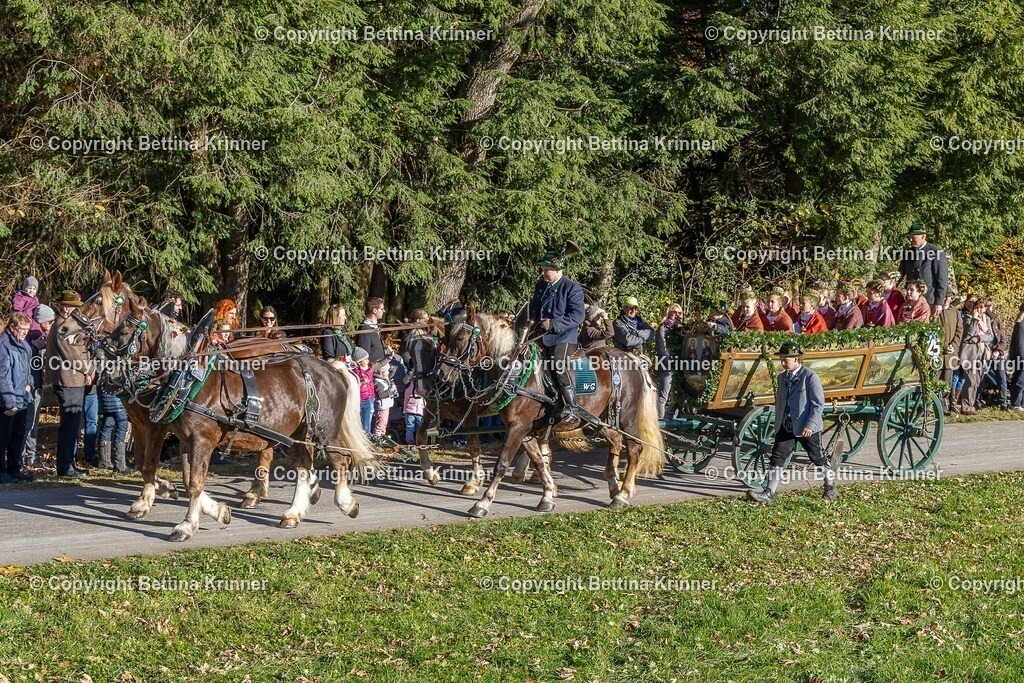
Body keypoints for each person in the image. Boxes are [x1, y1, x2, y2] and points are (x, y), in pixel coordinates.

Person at [747, 341, 835, 505]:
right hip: (785, 425)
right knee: (777, 458)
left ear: (796, 359)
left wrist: (810, 425)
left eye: (785, 359)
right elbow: (780, 402)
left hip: (806, 427)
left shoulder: (810, 377)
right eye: (781, 359)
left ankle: (830, 487)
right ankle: (768, 494)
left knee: (818, 457)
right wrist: (777, 424)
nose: (782, 363)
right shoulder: (782, 378)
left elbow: (818, 404)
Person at [528, 246, 587, 423]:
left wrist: (554, 323)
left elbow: (578, 316)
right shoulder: (540, 286)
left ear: (558, 269)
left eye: (546, 269)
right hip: (538, 334)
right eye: (543, 269)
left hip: (563, 336)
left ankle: (572, 407)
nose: (543, 272)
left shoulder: (572, 288)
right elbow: (534, 310)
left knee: (558, 364)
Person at [47, 290, 93, 477]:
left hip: (74, 380)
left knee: (72, 425)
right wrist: (89, 370)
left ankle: (69, 464)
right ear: (66, 307)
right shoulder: (61, 326)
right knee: (69, 425)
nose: (76, 310)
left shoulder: (66, 324)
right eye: (74, 307)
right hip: (68, 380)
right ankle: (65, 467)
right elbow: (71, 355)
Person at [0, 313, 35, 483]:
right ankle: (1, 471)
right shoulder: (4, 345)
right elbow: (3, 376)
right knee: (3, 436)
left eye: (27, 329)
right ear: (12, 327)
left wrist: (29, 384)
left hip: (23, 397)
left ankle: (14, 469)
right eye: (22, 329)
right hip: (7, 401)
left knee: (19, 434)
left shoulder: (24, 344)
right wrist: (9, 402)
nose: (24, 332)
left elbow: (28, 368)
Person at [23, 304, 55, 468]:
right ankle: (24, 456)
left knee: (32, 422)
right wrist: (37, 348)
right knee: (29, 422)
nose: (50, 325)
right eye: (48, 321)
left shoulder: (40, 333)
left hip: (37, 382)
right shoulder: (32, 335)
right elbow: (27, 360)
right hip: (31, 384)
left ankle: (30, 455)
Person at [898, 222, 949, 318]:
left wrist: (939, 302)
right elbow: (899, 274)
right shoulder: (908, 253)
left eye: (914, 237)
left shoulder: (936, 252)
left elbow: (942, 279)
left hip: (929, 300)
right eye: (909, 237)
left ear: (923, 236)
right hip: (911, 300)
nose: (910, 239)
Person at [959, 299, 993, 415]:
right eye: (977, 307)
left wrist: (979, 338)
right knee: (970, 381)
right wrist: (975, 319)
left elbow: (990, 336)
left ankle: (971, 404)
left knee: (977, 382)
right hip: (969, 355)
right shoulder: (968, 318)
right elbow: (970, 332)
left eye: (982, 307)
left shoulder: (986, 319)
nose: (980, 310)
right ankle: (966, 406)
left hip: (981, 355)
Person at [978, 298, 1009, 410]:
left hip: (997, 354)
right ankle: (977, 401)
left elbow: (1003, 340)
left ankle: (1003, 402)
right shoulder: (981, 320)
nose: (989, 308)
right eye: (987, 306)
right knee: (982, 378)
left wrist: (997, 351)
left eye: (991, 306)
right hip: (985, 353)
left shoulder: (996, 321)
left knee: (1002, 379)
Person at [655, 304, 683, 419]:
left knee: (677, 396)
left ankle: (672, 421)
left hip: (679, 365)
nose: (676, 315)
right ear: (669, 312)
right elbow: (661, 348)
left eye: (679, 313)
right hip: (666, 363)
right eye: (674, 312)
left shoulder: (681, 328)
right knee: (663, 395)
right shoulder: (663, 327)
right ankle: (660, 422)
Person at [98, 384, 132, 473]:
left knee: (108, 424)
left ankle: (104, 462)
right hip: (115, 394)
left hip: (104, 392)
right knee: (122, 424)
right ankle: (120, 465)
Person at [939, 295, 964, 412]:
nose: (945, 300)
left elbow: (960, 329)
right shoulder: (936, 310)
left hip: (950, 353)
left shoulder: (954, 311)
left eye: (947, 298)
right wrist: (943, 346)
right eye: (943, 297)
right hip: (938, 353)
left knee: (947, 381)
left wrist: (953, 345)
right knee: (935, 379)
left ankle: (943, 405)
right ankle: (932, 405)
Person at [357, 297, 387, 369]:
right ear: (375, 310)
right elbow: (364, 357)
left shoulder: (374, 327)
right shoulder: (365, 330)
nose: (384, 311)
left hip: (380, 367)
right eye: (382, 309)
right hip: (372, 371)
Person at [352, 347, 375, 435]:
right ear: (360, 361)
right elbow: (353, 385)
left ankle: (367, 436)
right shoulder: (355, 372)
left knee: (367, 421)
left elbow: (381, 364)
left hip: (369, 398)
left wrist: (388, 358)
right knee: (358, 421)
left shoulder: (370, 370)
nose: (368, 361)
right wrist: (362, 382)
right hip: (360, 399)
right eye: (366, 359)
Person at [1008, 302, 1024, 411]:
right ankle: (1016, 403)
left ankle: (1021, 403)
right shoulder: (1021, 323)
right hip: (1020, 357)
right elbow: (1019, 343)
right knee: (1019, 380)